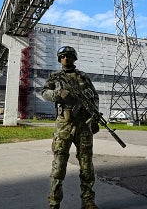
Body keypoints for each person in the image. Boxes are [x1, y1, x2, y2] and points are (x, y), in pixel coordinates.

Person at [42, 46, 99, 209]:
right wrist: (58, 94)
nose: (66, 58)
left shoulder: (83, 76)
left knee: (87, 165)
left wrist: (94, 118)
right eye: (62, 56)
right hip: (64, 125)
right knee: (59, 166)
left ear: (74, 58)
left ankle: (88, 201)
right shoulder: (55, 76)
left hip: (83, 125)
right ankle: (54, 202)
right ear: (59, 59)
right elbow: (44, 92)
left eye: (69, 56)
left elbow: (94, 96)